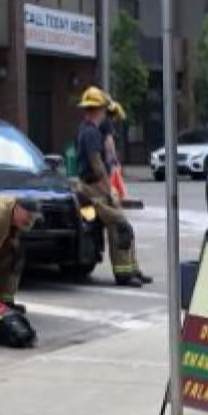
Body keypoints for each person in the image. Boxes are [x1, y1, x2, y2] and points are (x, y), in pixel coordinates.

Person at [73, 86, 152, 286]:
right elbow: (97, 165)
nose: (105, 114)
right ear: (97, 110)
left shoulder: (89, 130)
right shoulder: (90, 133)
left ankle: (132, 269)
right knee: (120, 225)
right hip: (94, 188)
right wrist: (109, 190)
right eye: (102, 109)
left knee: (124, 227)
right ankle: (124, 274)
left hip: (96, 187)